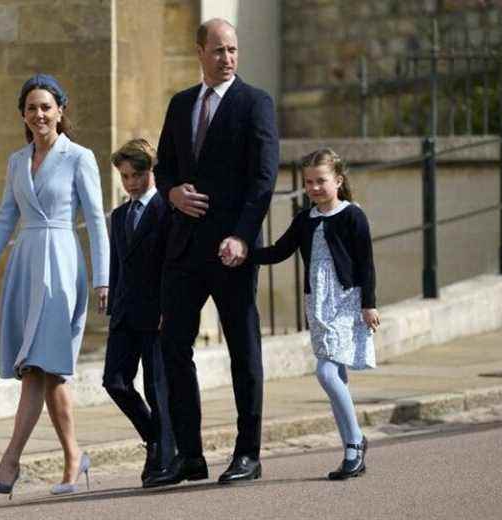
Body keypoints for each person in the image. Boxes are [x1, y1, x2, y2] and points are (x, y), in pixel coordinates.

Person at [143, 18, 279, 488]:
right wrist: (173, 193)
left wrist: (243, 236)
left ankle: (249, 453)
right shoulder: (181, 105)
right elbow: (163, 170)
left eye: (234, 50)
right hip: (183, 251)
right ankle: (191, 457)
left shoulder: (254, 103)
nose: (228, 59)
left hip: (231, 252)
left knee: (244, 350)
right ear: (199, 51)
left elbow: (264, 181)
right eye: (219, 50)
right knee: (173, 349)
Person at [0, 73, 110, 498]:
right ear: (23, 116)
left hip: (62, 268)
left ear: (61, 111)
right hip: (27, 266)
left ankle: (10, 461)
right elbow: (3, 220)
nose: (39, 114)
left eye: (46, 107)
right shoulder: (15, 162)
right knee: (48, 371)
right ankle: (74, 457)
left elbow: (97, 221)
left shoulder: (79, 157)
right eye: (31, 108)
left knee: (35, 369)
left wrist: (103, 278)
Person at [249, 148, 379, 480]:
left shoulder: (353, 215)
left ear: (338, 180)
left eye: (321, 181)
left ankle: (355, 443)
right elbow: (280, 250)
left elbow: (366, 262)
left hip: (346, 302)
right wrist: (245, 255)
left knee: (325, 373)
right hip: (317, 303)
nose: (314, 188)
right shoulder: (305, 219)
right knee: (337, 377)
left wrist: (369, 304)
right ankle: (351, 448)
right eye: (309, 182)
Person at [103, 138, 176, 485]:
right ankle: (156, 437)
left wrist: (169, 307)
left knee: (155, 386)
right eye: (125, 176)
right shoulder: (119, 216)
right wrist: (114, 307)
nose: (131, 183)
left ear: (151, 172)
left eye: (137, 175)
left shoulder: (166, 209)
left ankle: (162, 460)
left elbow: (171, 266)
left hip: (157, 313)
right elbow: (117, 265)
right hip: (125, 313)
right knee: (114, 381)